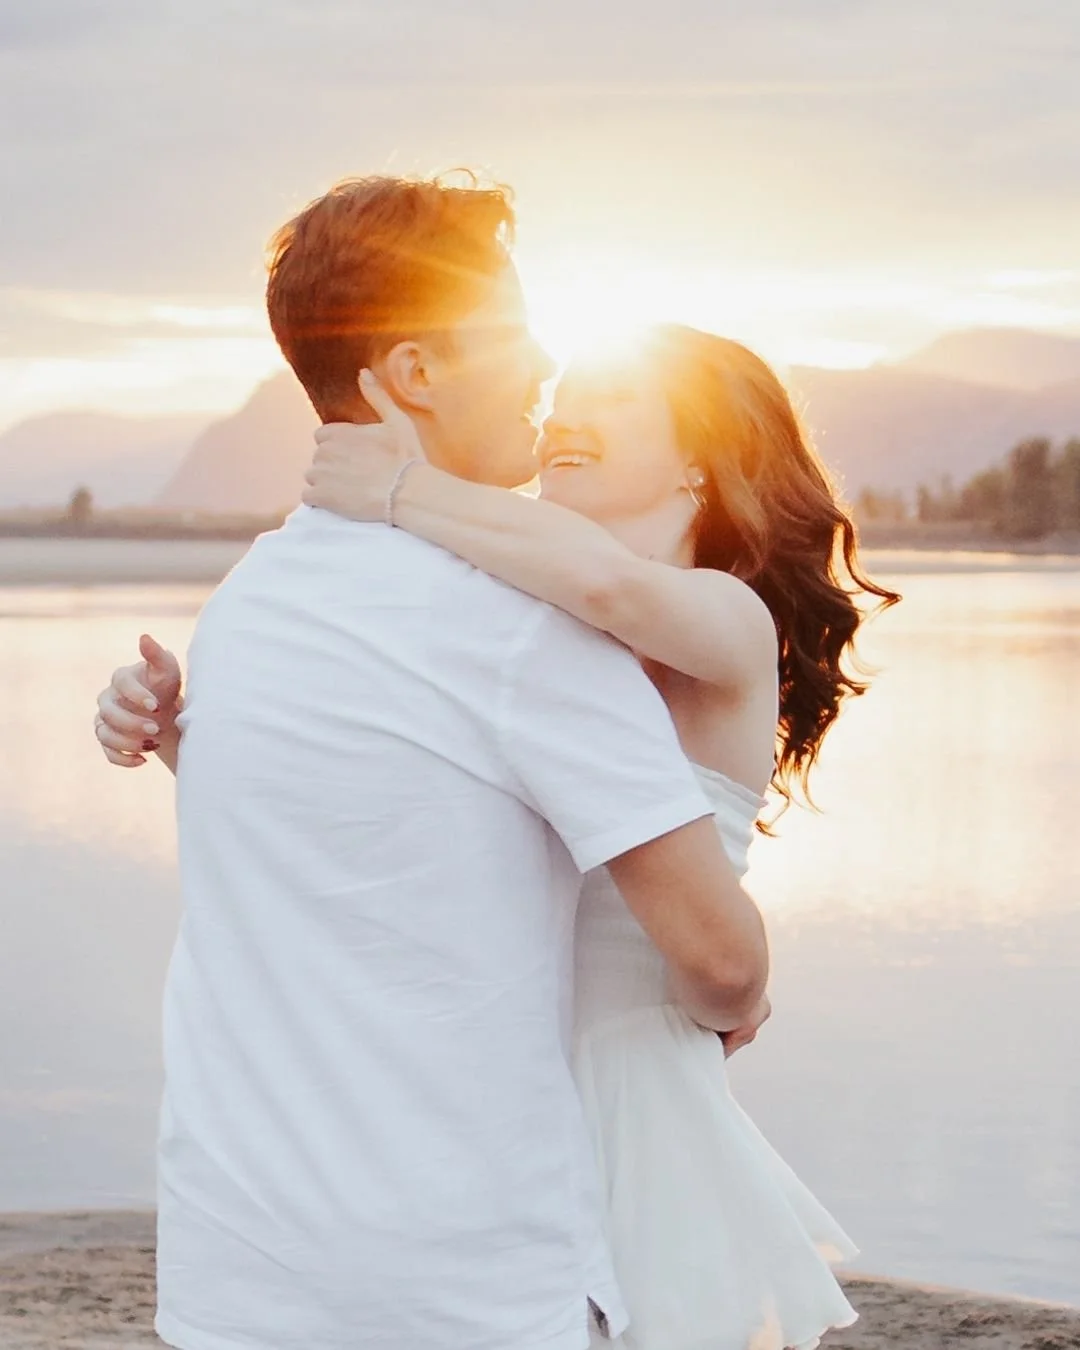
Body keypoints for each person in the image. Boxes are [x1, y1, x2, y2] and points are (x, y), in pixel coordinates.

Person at [92, 175, 771, 1350]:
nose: (546, 364)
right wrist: (736, 1002)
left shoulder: (248, 604)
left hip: (235, 1270)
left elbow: (361, 820)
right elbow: (717, 960)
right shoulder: (524, 623)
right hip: (454, 1289)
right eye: (514, 330)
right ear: (414, 374)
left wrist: (162, 733)